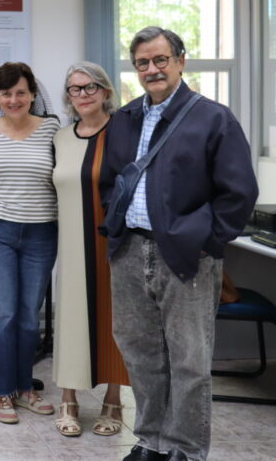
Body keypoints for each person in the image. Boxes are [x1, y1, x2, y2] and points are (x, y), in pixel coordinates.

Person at [100, 27, 257, 461]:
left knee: (189, 359)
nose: (152, 69)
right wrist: (116, 226)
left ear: (181, 61)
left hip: (187, 256)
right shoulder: (125, 119)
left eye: (161, 59)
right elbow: (111, 182)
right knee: (141, 354)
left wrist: (206, 241)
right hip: (130, 252)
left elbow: (239, 192)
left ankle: (185, 449)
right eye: (143, 63)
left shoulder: (213, 118)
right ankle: (151, 440)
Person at [0, 61, 60, 425]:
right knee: (0, 316)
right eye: (6, 93)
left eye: (21, 92)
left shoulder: (52, 129)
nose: (14, 100)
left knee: (28, 317)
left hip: (41, 233)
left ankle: (25, 387)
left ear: (33, 95)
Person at [51, 62, 129, 438]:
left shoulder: (122, 135)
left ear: (105, 91)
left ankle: (113, 400)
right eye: (74, 89)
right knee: (69, 319)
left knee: (114, 319)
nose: (82, 95)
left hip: (114, 244)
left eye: (90, 87)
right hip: (70, 244)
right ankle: (68, 399)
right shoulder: (60, 138)